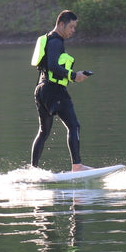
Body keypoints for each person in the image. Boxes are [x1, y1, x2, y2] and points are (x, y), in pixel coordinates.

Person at [30, 10, 92, 172]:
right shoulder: (56, 42)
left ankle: (33, 170)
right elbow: (53, 66)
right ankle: (77, 166)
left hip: (40, 90)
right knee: (74, 126)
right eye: (71, 27)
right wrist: (74, 75)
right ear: (61, 24)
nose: (73, 31)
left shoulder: (48, 39)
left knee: (43, 132)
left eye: (74, 27)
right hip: (54, 91)